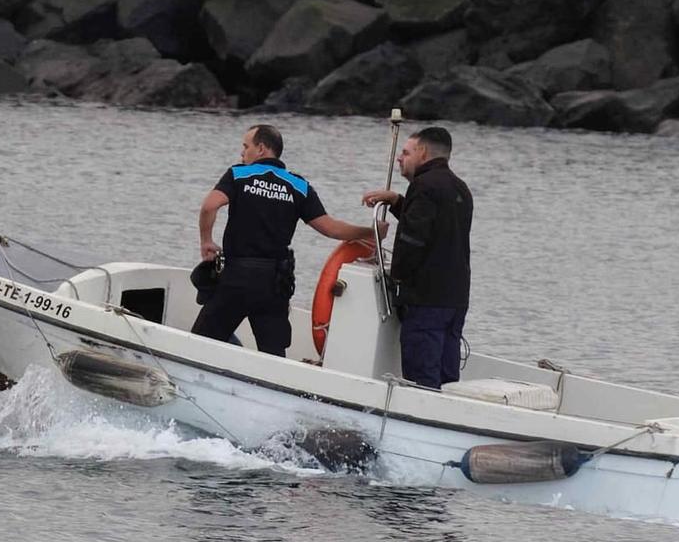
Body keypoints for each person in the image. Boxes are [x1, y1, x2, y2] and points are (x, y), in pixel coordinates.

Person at [193, 124, 373, 356]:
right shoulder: (299, 185)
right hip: (273, 283)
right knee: (273, 353)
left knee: (201, 342)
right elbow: (330, 229)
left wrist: (206, 241)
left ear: (261, 149)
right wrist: (369, 231)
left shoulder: (239, 174)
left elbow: (209, 206)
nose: (242, 153)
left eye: (245, 146)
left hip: (236, 278)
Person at [362, 126, 474, 389]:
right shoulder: (460, 188)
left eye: (405, 152)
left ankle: (419, 418)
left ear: (422, 152)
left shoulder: (424, 187)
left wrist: (396, 277)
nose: (400, 158)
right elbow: (438, 228)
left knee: (421, 374)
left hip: (426, 300)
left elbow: (412, 240)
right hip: (455, 298)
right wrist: (397, 201)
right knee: (446, 374)